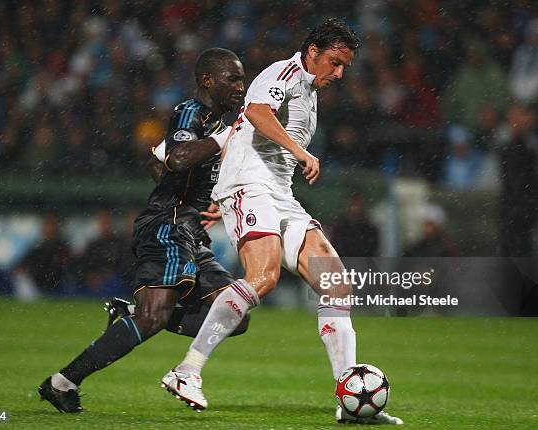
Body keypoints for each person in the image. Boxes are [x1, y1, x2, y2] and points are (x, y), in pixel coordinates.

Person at [162, 19, 402, 425]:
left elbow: (238, 131)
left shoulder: (309, 92)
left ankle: (349, 402)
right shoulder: (283, 72)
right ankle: (186, 371)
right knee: (264, 276)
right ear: (312, 52)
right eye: (335, 62)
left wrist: (222, 192)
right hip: (251, 186)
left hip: (277, 193)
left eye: (345, 66)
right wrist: (296, 156)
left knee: (336, 284)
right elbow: (254, 113)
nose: (340, 73)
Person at [38, 47, 248, 413]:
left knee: (236, 315)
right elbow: (180, 159)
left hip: (189, 230)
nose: (241, 86)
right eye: (233, 78)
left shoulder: (213, 122)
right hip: (166, 225)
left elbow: (158, 162)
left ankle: (133, 315)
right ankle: (63, 382)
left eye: (242, 78)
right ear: (207, 80)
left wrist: (205, 198)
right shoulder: (191, 113)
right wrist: (223, 139)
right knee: (153, 316)